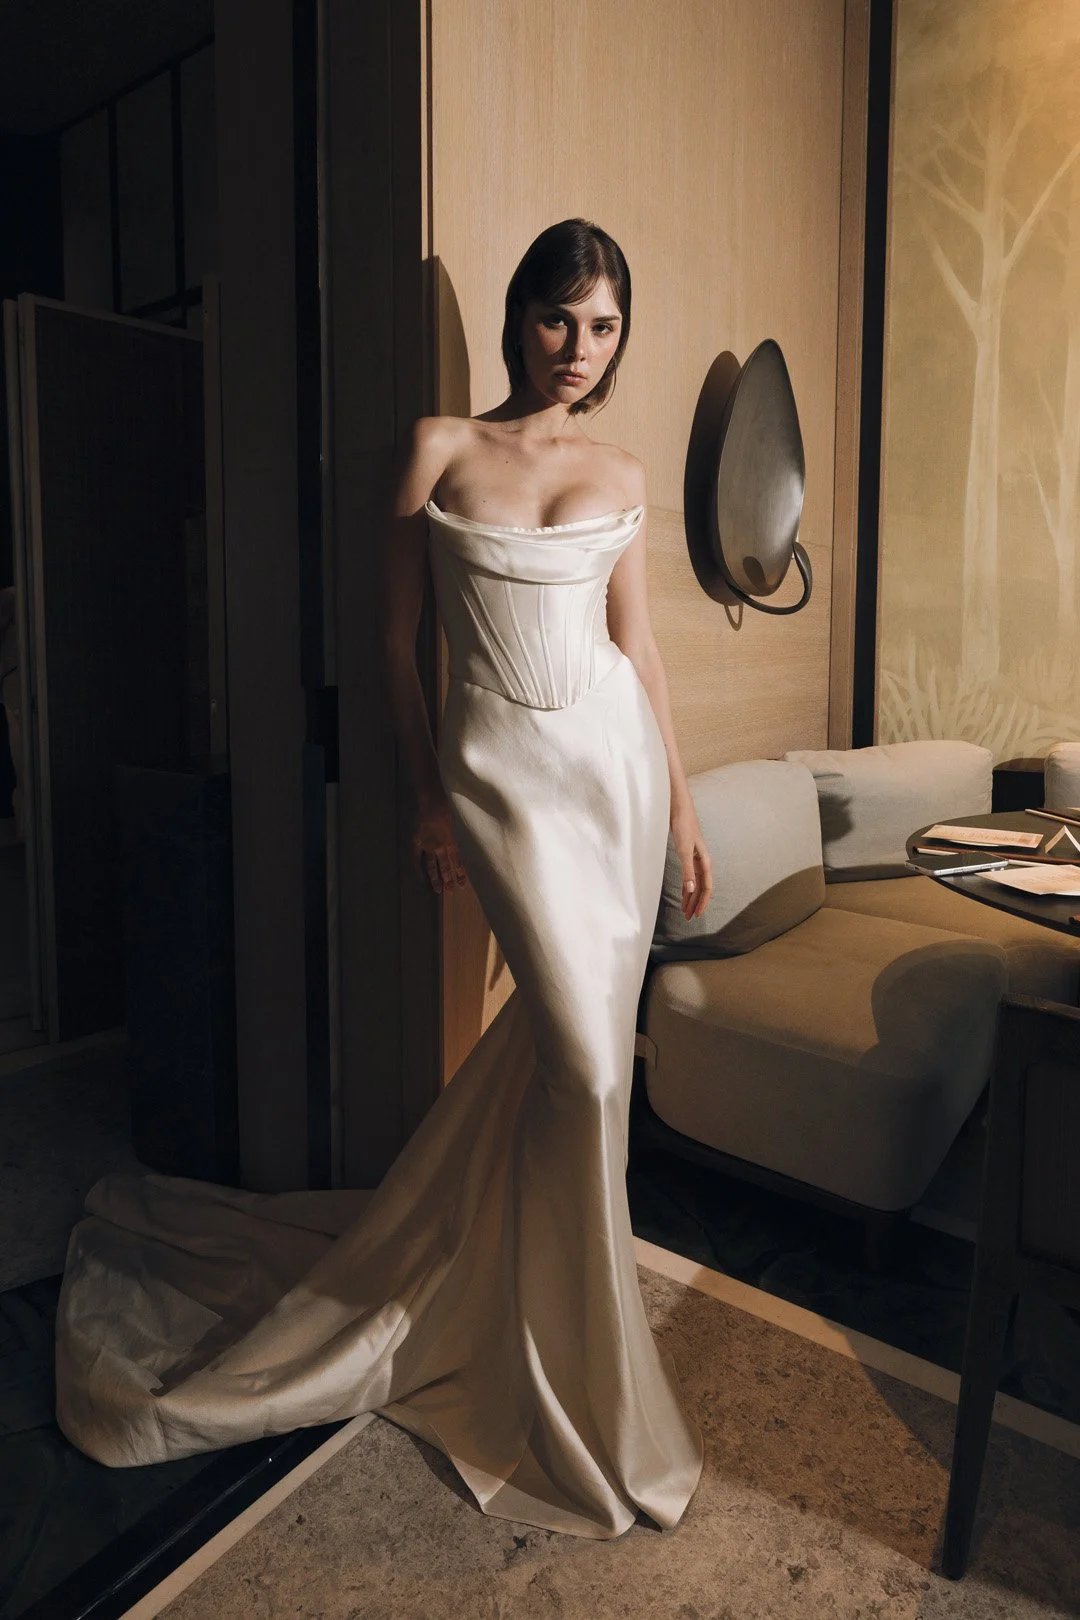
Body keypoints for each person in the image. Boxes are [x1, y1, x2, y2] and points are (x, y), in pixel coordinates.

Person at [54, 219, 711, 1541]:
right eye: (557, 319)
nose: (580, 350)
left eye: (605, 327)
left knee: (580, 1062)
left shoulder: (625, 466)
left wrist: (685, 809)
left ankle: (548, 1317)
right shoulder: (438, 447)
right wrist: (424, 792)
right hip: (502, 779)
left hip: (617, 783)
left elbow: (639, 653)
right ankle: (567, 1356)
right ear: (520, 317)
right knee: (581, 1063)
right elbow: (398, 648)